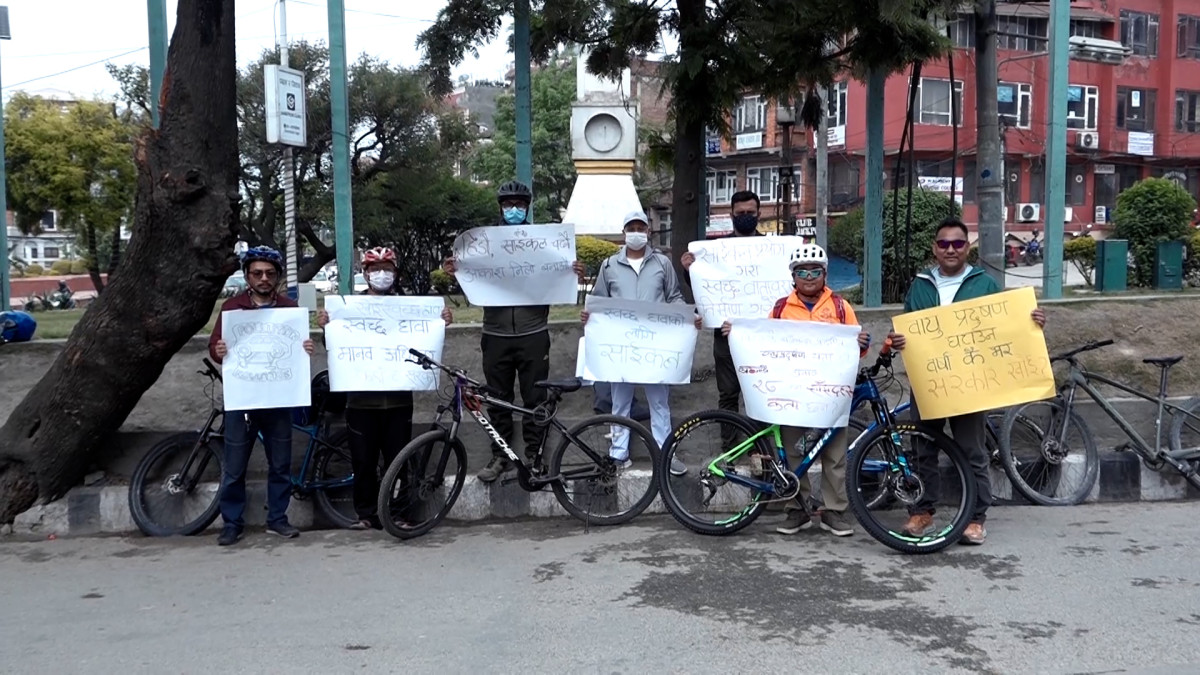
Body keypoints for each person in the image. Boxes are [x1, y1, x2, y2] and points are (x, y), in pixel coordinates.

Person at [888, 217, 1047, 546]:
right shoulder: (920, 285)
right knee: (922, 448)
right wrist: (898, 339)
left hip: (970, 383)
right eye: (943, 243)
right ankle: (922, 512)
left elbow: (1005, 326)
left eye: (958, 243)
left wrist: (1031, 321)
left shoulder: (984, 284)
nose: (951, 249)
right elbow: (907, 328)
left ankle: (975, 517)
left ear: (968, 248)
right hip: (930, 382)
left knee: (972, 450)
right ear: (934, 248)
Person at [720, 243, 870, 537]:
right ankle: (797, 509)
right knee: (794, 453)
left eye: (815, 271)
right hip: (792, 395)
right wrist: (737, 333)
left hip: (830, 395)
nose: (809, 277)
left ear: (825, 274)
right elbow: (763, 344)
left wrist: (861, 344)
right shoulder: (780, 308)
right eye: (802, 272)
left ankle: (833, 511)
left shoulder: (841, 307)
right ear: (793, 276)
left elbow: (856, 351)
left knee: (834, 456)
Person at [442, 180, 584, 482]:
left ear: (527, 207)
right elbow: (474, 282)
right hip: (495, 335)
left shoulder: (544, 243)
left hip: (534, 333)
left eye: (520, 205)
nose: (514, 209)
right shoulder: (480, 243)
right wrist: (456, 271)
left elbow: (559, 275)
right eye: (508, 205)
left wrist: (573, 272)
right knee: (497, 399)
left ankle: (534, 456)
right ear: (500, 207)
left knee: (536, 398)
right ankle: (500, 456)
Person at [316, 247, 453, 530]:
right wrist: (326, 327)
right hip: (360, 403)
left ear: (395, 273)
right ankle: (366, 514)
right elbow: (334, 346)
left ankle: (399, 513)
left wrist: (440, 323)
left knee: (399, 461)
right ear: (365, 274)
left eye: (387, 269)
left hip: (399, 402)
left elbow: (427, 339)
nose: (381, 274)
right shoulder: (348, 309)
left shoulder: (408, 308)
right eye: (375, 269)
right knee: (363, 461)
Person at [209, 245, 315, 546]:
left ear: (278, 276)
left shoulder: (290, 310)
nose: (264, 278)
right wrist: (218, 350)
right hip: (242, 401)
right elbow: (216, 346)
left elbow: (297, 348)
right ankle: (232, 523)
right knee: (234, 467)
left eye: (269, 273)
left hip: (279, 400)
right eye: (257, 273)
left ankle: (277, 519)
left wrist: (306, 349)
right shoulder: (231, 309)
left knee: (280, 464)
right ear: (247, 276)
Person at [581, 211, 700, 475]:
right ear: (624, 232)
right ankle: (618, 454)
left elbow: (674, 296)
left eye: (641, 227)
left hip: (654, 345)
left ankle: (665, 453)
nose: (636, 232)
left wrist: (687, 316)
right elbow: (599, 300)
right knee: (620, 402)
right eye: (631, 228)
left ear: (648, 231)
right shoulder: (609, 265)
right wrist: (589, 316)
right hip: (621, 345)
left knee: (659, 401)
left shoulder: (662, 263)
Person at [680, 190, 763, 447]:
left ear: (759, 214)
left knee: (760, 393)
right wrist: (689, 270)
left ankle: (761, 451)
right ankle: (730, 449)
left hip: (762, 336)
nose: (746, 216)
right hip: (725, 335)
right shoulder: (715, 250)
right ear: (731, 215)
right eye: (741, 213)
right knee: (728, 394)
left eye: (750, 212)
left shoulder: (773, 249)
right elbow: (703, 287)